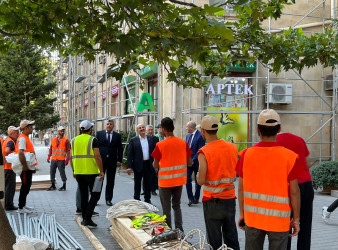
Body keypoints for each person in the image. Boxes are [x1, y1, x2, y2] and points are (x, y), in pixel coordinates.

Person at [236, 109, 303, 250]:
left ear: (258, 130)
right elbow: (295, 192)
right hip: (279, 221)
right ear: (279, 129)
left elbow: (241, 188)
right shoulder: (290, 157)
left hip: (253, 219)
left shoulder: (246, 155)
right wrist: (296, 220)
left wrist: (242, 214)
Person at [196, 116, 239, 250]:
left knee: (214, 242)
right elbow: (236, 172)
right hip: (230, 199)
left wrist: (198, 176)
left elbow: (201, 180)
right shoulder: (232, 147)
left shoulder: (204, 152)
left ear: (203, 131)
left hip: (212, 201)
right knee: (231, 238)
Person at [152, 117, 192, 231]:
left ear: (164, 129)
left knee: (166, 208)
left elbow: (155, 165)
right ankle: (179, 229)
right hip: (179, 181)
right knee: (176, 206)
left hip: (165, 182)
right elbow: (190, 162)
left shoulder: (160, 145)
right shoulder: (182, 143)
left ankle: (168, 230)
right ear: (173, 128)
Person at [277, 132, 314, 250]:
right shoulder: (299, 139)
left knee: (285, 225)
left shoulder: (274, 141)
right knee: (305, 224)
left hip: (287, 186)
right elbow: (307, 163)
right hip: (306, 184)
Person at [70, 120, 104, 227]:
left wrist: (74, 171)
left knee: (84, 196)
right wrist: (101, 171)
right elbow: (97, 156)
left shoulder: (73, 140)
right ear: (90, 129)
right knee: (95, 195)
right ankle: (87, 217)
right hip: (92, 172)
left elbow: (71, 157)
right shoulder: (93, 140)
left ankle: (85, 218)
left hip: (79, 172)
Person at [127, 124, 159, 204]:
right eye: (139, 128)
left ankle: (147, 200)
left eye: (143, 127)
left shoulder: (153, 139)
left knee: (148, 182)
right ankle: (137, 199)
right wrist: (129, 167)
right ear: (137, 130)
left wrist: (157, 164)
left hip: (149, 164)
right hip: (138, 164)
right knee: (137, 182)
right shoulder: (133, 140)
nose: (142, 129)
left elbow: (157, 152)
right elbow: (130, 154)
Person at [96, 119, 123, 206]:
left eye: (111, 124)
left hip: (112, 161)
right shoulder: (99, 134)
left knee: (110, 181)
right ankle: (96, 199)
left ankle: (108, 199)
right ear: (105, 125)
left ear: (113, 126)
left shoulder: (117, 136)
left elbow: (120, 149)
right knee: (99, 180)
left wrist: (119, 160)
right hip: (101, 161)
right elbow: (96, 147)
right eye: (107, 124)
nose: (109, 125)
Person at [16, 120, 38, 214]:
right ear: (25, 128)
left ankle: (23, 205)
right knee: (25, 186)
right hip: (25, 168)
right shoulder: (22, 138)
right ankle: (20, 207)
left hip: (28, 167)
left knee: (27, 186)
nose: (32, 128)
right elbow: (20, 153)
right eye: (30, 127)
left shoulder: (25, 137)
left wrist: (32, 166)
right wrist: (25, 166)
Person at [185, 121, 205, 206]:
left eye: (187, 127)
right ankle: (190, 198)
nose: (186, 128)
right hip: (188, 162)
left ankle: (196, 197)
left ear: (191, 127)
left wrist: (193, 160)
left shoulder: (200, 136)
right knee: (187, 180)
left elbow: (200, 150)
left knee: (197, 181)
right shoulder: (188, 136)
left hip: (196, 162)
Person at [46, 126, 70, 191]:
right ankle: (53, 185)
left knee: (62, 173)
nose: (62, 132)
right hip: (54, 159)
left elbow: (68, 151)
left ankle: (64, 185)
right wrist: (48, 156)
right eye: (61, 131)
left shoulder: (66, 140)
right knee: (52, 172)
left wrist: (67, 159)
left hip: (61, 160)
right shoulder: (53, 139)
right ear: (58, 131)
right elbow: (51, 148)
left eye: (63, 131)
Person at [2, 126, 20, 210]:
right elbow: (7, 151)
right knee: (10, 187)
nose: (18, 133)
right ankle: (8, 205)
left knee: (7, 186)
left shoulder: (7, 140)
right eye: (16, 132)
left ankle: (6, 204)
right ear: (11, 133)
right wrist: (14, 155)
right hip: (9, 168)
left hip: (6, 168)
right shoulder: (10, 142)